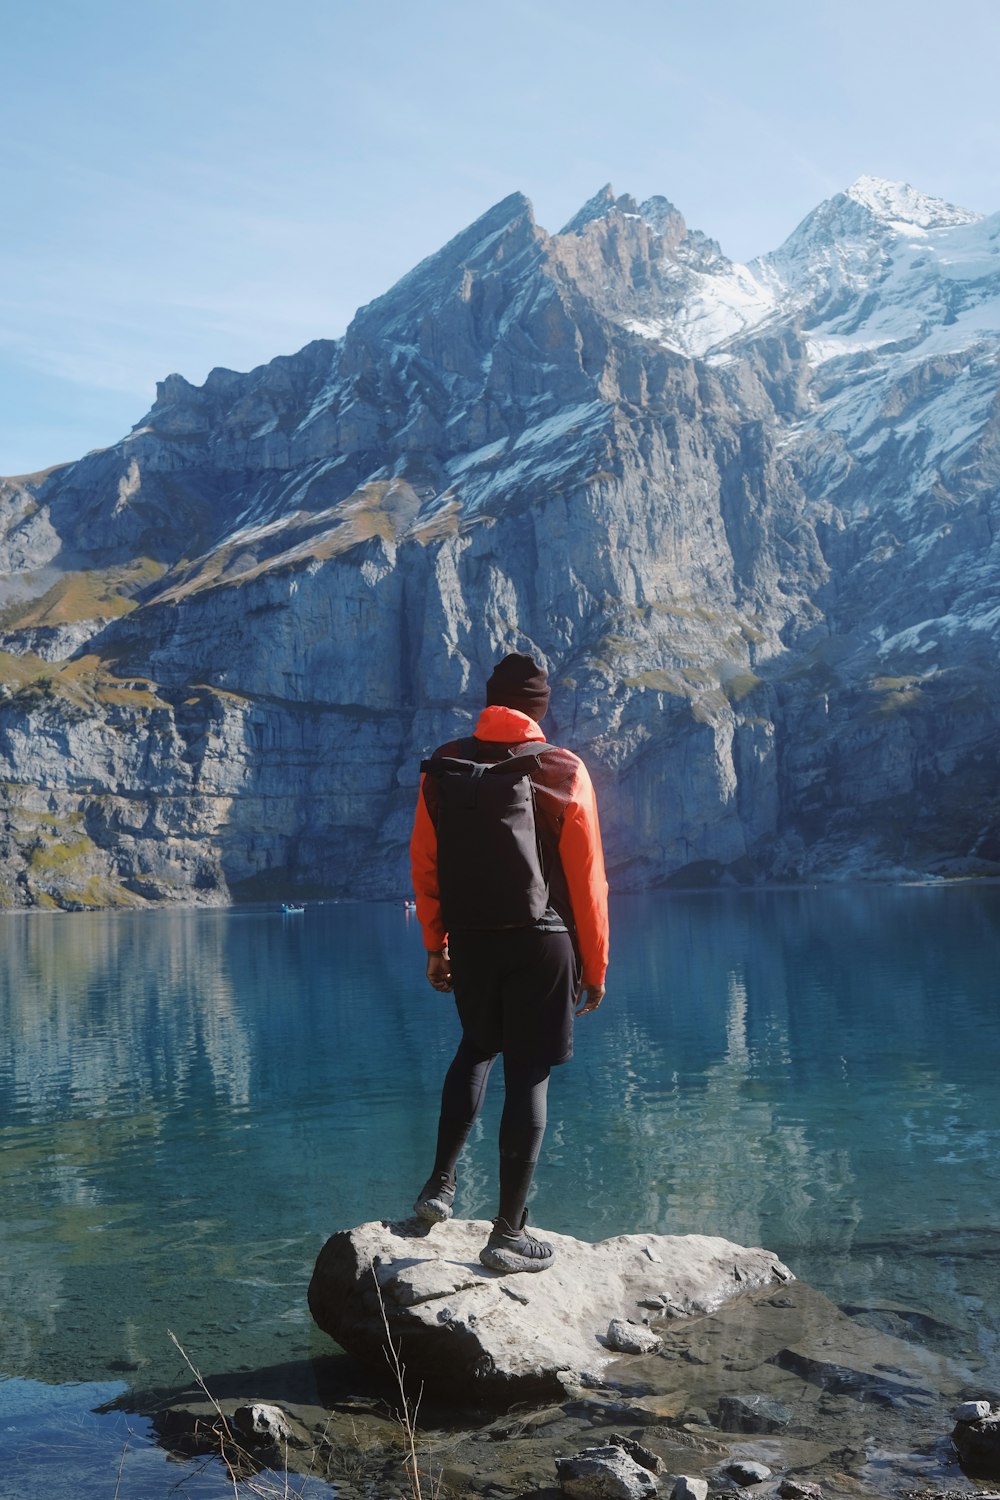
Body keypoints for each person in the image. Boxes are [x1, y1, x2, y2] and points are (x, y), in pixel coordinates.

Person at [409, 652, 609, 1273]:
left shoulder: (444, 764)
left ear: (490, 701)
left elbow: (426, 862)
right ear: (539, 711)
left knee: (475, 1048)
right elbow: (588, 878)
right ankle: (507, 1235)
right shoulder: (562, 768)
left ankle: (437, 1189)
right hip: (542, 939)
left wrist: (436, 945)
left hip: (473, 939)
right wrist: (595, 965)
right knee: (529, 1072)